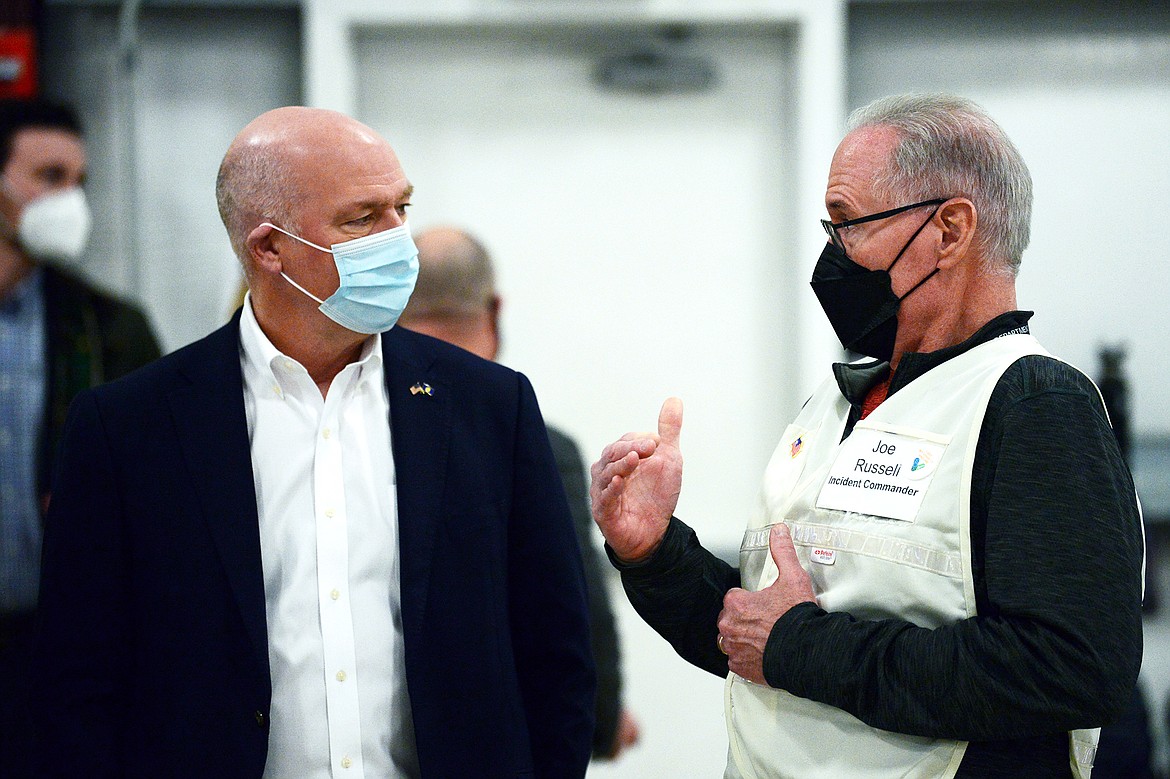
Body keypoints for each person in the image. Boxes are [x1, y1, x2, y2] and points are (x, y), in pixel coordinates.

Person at [590, 93, 1143, 778]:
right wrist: (653, 551)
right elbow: (755, 632)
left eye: (848, 224)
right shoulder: (836, 401)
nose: (832, 256)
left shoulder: (1034, 402)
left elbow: (1071, 666)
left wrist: (802, 645)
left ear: (950, 230)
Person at [33, 106, 594, 778]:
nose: (399, 241)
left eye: (401, 208)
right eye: (362, 218)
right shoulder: (128, 426)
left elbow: (554, 650)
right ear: (269, 248)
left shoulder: (489, 407)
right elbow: (78, 678)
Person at [397, 225, 641, 760]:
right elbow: (575, 613)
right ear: (494, 311)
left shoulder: (357, 430)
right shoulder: (531, 444)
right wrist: (600, 723)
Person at [0, 97, 160, 778]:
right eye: (49, 175)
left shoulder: (106, 326)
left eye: (78, 180)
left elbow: (161, 483)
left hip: (56, 644)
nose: (68, 198)